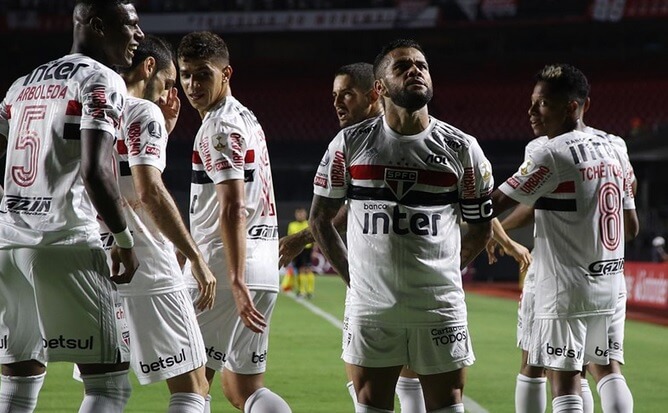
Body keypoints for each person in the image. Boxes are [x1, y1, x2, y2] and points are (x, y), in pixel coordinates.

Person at [310, 39, 494, 413]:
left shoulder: (462, 148)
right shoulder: (350, 143)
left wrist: (445, 272)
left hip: (439, 306)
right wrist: (354, 278)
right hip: (372, 307)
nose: (415, 71)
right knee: (370, 403)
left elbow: (480, 229)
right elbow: (320, 219)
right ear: (380, 88)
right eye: (402, 66)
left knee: (449, 404)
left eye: (421, 65)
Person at [0, 1, 143, 412]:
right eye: (130, 26)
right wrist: (123, 238)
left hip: (10, 246)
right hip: (65, 243)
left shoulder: (22, 83)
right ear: (98, 26)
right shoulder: (101, 80)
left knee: (20, 379)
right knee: (108, 385)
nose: (138, 35)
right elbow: (96, 170)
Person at [280, 61, 428, 412]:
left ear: (375, 92)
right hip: (411, 283)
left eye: (346, 93)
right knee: (410, 381)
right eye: (334, 95)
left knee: (365, 389)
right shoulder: (383, 136)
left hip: (378, 280)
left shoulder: (367, 139)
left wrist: (306, 240)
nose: (337, 102)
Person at [490, 63, 639, 413]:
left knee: (564, 378)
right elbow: (631, 228)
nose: (531, 112)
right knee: (607, 369)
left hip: (564, 285)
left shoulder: (548, 151)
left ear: (572, 106)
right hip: (610, 281)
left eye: (541, 103)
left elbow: (491, 203)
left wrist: (491, 228)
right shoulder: (615, 146)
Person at [177, 31, 292, 413]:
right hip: (263, 265)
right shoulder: (246, 117)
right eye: (186, 74)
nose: (193, 84)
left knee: (191, 386)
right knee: (242, 388)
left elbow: (232, 207)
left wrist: (236, 279)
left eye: (203, 75)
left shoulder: (218, 128)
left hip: (224, 270)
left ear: (226, 73)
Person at [106, 33, 216, 413]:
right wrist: (194, 256)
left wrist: (164, 134)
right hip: (148, 264)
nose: (169, 93)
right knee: (194, 387)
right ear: (149, 66)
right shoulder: (143, 111)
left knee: (105, 387)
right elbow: (149, 192)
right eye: (169, 82)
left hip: (99, 263)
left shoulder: (94, 106)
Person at [281, 207, 315, 298]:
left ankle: (308, 291)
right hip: (297, 250)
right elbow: (290, 238)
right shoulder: (292, 225)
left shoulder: (309, 224)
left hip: (307, 250)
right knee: (299, 270)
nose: (300, 215)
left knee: (307, 269)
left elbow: (315, 239)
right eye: (298, 214)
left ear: (306, 214)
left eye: (302, 213)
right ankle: (302, 290)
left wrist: (314, 251)